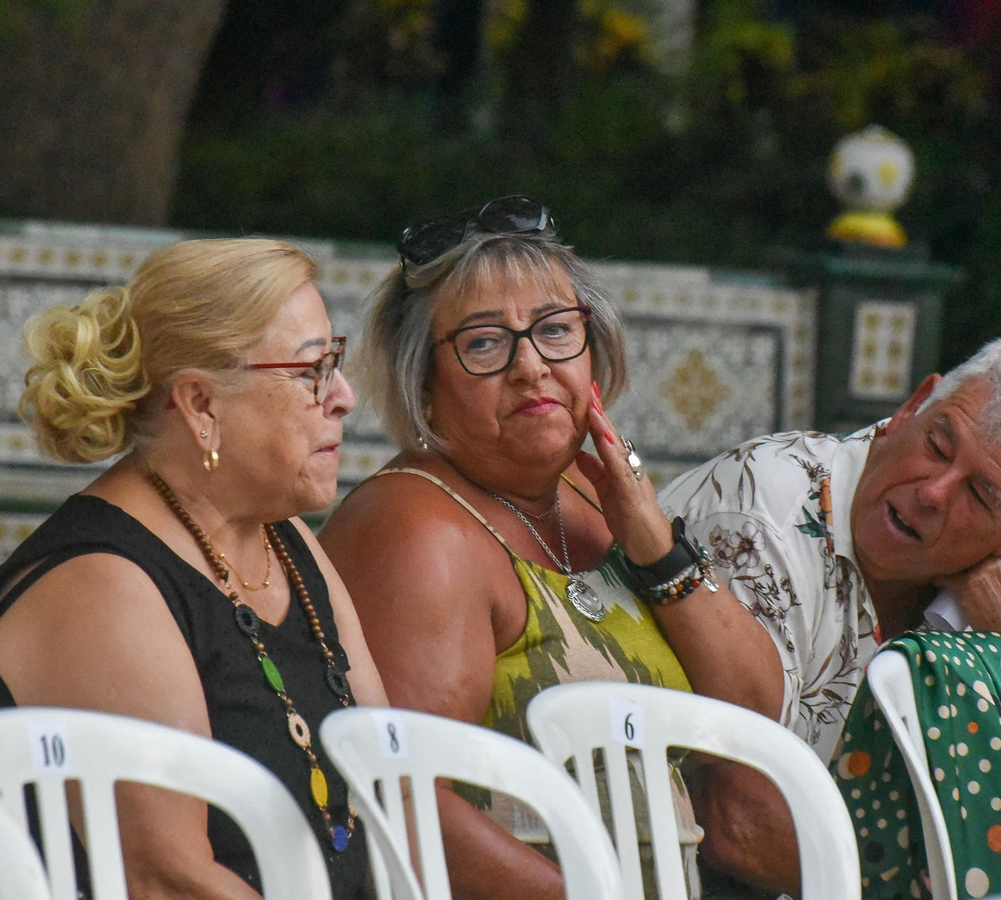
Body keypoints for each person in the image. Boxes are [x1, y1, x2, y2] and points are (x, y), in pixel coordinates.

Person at [320, 196, 783, 900]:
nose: (531, 366)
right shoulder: (418, 532)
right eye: (483, 343)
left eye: (556, 330)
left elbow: (753, 709)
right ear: (425, 385)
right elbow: (400, 794)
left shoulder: (594, 496)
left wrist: (656, 543)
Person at [0, 238, 387, 900]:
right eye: (310, 371)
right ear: (201, 406)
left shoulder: (283, 538)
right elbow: (165, 881)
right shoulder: (99, 584)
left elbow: (390, 776)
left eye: (335, 361)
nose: (344, 396)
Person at [658, 334, 1001, 897]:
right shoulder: (762, 520)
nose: (935, 492)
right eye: (939, 445)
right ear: (910, 408)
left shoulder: (993, 587)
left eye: (981, 494)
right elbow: (739, 827)